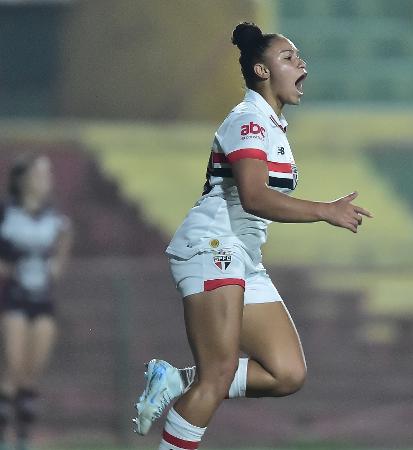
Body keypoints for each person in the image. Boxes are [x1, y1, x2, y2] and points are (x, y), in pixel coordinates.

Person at [133, 22, 373, 449]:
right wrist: (325, 211)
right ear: (261, 71)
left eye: (299, 57)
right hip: (212, 246)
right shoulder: (247, 121)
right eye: (288, 57)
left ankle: (176, 379)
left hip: (242, 253)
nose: (301, 64)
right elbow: (255, 198)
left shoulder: (272, 125)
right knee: (219, 373)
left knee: (287, 373)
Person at [0, 154, 72, 450]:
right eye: (39, 174)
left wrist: (58, 263)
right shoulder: (7, 212)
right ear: (24, 178)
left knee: (31, 374)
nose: (46, 180)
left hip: (42, 299)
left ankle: (23, 438)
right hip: (14, 298)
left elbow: (65, 237)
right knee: (13, 369)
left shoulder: (53, 216)